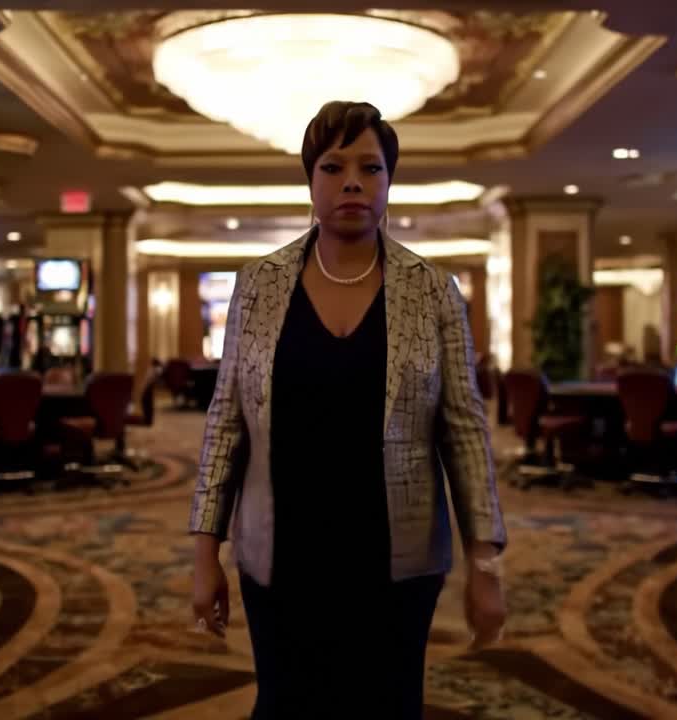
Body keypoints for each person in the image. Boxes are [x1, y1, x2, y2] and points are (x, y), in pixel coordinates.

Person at [189, 101, 507, 719]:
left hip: (396, 557)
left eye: (371, 167)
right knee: (286, 705)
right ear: (311, 181)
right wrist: (206, 554)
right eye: (333, 167)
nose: (353, 182)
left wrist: (486, 565)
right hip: (281, 555)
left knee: (386, 706)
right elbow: (226, 423)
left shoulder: (432, 289)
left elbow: (464, 432)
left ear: (390, 181)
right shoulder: (257, 284)